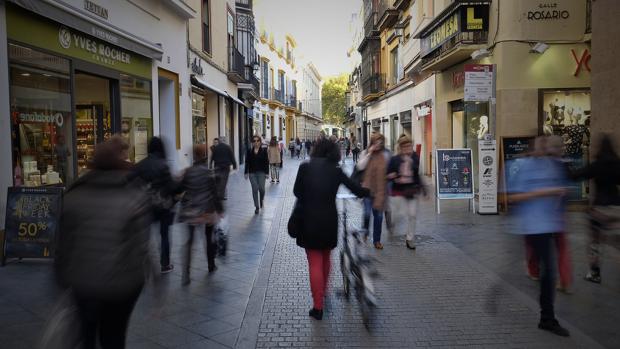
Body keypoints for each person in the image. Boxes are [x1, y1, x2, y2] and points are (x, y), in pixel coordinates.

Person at [56, 135, 150, 349]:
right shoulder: (133, 194)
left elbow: (62, 244)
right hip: (120, 287)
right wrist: (141, 277)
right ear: (120, 162)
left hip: (82, 282)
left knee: (86, 333)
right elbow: (140, 246)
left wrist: (62, 276)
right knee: (113, 336)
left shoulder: (73, 195)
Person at [293, 137, 369, 320]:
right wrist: (370, 191)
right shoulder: (336, 170)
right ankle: (324, 292)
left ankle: (317, 306)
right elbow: (356, 189)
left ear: (316, 150)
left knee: (314, 262)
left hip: (309, 220)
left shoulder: (305, 167)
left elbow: (296, 192)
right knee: (326, 257)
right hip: (329, 220)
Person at [508, 135, 570, 337]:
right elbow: (512, 196)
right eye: (541, 144)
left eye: (546, 144)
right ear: (533, 147)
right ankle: (547, 318)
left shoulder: (553, 165)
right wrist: (543, 192)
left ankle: (547, 317)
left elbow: (561, 189)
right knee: (549, 271)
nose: (545, 148)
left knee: (548, 271)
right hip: (533, 225)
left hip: (550, 224)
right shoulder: (521, 165)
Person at [571, 134, 620, 284]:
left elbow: (576, 176)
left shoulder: (597, 165)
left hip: (599, 210)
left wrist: (565, 165)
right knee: (617, 242)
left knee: (594, 241)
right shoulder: (618, 164)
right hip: (617, 208)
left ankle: (594, 272)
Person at [132, 137, 180, 274]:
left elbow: (133, 184)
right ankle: (165, 264)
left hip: (146, 205)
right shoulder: (163, 165)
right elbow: (172, 187)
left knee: (145, 236)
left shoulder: (140, 165)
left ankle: (143, 263)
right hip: (163, 205)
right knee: (164, 235)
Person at [178, 144, 223, 284]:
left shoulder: (188, 172)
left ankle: (186, 273)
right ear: (204, 155)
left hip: (191, 211)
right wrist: (220, 210)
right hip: (206, 211)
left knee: (189, 242)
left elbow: (179, 188)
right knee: (209, 238)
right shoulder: (208, 172)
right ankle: (211, 265)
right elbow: (214, 193)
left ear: (194, 155)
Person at [387, 135, 426, 250]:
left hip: (411, 190)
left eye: (409, 146)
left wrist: (424, 190)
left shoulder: (415, 157)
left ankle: (410, 239)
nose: (408, 148)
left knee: (412, 215)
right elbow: (388, 174)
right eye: (405, 146)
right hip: (398, 190)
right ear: (400, 147)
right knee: (397, 215)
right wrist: (393, 177)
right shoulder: (394, 159)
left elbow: (416, 174)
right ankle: (391, 222)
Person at [356, 133, 389, 249]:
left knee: (379, 217)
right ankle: (365, 232)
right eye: (377, 142)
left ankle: (377, 240)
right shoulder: (365, 153)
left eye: (381, 141)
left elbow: (389, 170)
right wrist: (369, 153)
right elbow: (360, 166)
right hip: (367, 190)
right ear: (372, 142)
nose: (379, 144)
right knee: (366, 213)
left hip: (380, 191)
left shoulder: (385, 155)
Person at [245, 135, 270, 214]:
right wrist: (246, 172)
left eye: (257, 141)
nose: (256, 142)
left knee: (262, 189)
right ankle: (257, 207)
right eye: (254, 141)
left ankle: (261, 199)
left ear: (260, 142)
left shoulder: (264, 151)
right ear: (252, 143)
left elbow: (266, 162)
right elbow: (247, 162)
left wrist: (267, 173)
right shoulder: (249, 151)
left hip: (261, 172)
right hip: (252, 173)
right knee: (255, 189)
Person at [209, 136, 237, 201]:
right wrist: (234, 165)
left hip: (217, 166)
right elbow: (232, 157)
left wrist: (210, 165)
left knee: (218, 181)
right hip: (225, 167)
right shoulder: (228, 147)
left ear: (219, 141)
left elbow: (212, 157)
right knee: (224, 181)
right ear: (224, 140)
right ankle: (221, 195)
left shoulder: (216, 148)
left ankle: (219, 194)